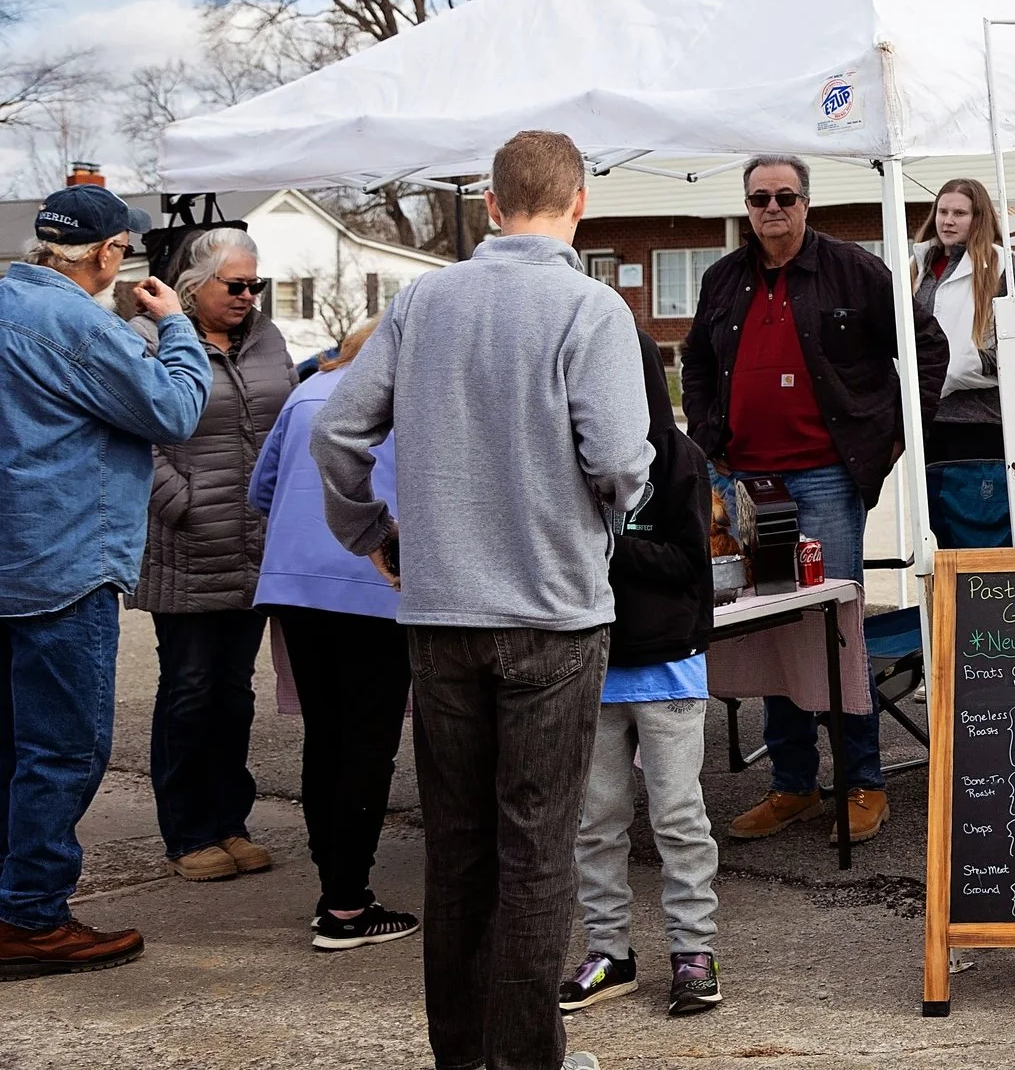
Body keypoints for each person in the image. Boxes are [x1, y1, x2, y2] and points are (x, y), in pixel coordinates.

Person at [314, 130, 650, 1070]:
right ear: (580, 203)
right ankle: (526, 1060)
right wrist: (616, 513)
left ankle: (462, 1056)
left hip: (441, 612)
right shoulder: (590, 307)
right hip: (552, 611)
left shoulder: (423, 300)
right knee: (536, 850)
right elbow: (619, 458)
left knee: (458, 846)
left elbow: (336, 434)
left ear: (492, 206)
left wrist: (371, 530)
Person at [680, 154, 944, 846]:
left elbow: (926, 346)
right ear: (746, 205)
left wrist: (895, 438)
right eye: (760, 198)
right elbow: (696, 362)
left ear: (806, 203)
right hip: (745, 482)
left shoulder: (855, 270)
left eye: (785, 196)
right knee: (770, 629)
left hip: (826, 475)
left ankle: (863, 781)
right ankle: (794, 783)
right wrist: (707, 439)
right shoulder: (721, 279)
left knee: (834, 628)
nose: (772, 207)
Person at [0, 186, 207, 976]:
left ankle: (11, 900)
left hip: (15, 556)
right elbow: (175, 409)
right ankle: (29, 914)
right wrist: (175, 324)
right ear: (109, 253)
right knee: (64, 748)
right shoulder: (75, 323)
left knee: (13, 747)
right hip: (63, 561)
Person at [558, 332, 722, 1019]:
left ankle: (694, 951)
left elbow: (689, 562)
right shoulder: (566, 460)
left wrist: (607, 545)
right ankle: (609, 952)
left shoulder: (680, 458)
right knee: (595, 823)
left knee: (678, 819)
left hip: (668, 669)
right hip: (592, 667)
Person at [248, 315, 417, 950]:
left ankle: (335, 888)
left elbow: (261, 489)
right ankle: (348, 905)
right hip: (374, 580)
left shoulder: (304, 394)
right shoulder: (403, 402)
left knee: (325, 738)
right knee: (368, 745)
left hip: (294, 583)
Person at [138, 227, 294, 884]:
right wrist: (185, 503)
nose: (248, 295)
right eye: (236, 284)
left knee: (234, 694)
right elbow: (133, 438)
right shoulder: (149, 340)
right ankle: (189, 832)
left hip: (253, 544)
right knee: (189, 690)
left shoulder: (267, 338)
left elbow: (286, 417)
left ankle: (231, 822)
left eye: (256, 284)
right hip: (186, 548)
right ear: (194, 285)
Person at [911, 180, 1015, 548]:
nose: (948, 220)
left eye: (959, 213)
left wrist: (964, 365)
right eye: (943, 211)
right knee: (941, 535)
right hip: (929, 423)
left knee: (984, 537)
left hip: (981, 424)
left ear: (979, 217)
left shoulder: (1003, 265)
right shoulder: (918, 266)